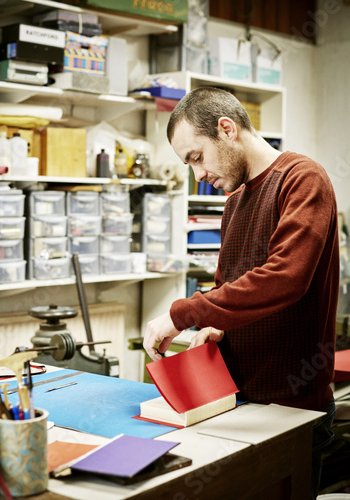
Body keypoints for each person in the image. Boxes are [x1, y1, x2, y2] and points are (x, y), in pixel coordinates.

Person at [143, 86, 339, 499]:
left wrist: (182, 314)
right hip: (236, 404)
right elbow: (232, 288)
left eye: (196, 157)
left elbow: (285, 277)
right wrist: (214, 326)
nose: (198, 175)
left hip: (292, 410)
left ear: (227, 129)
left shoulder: (302, 179)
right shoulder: (234, 204)